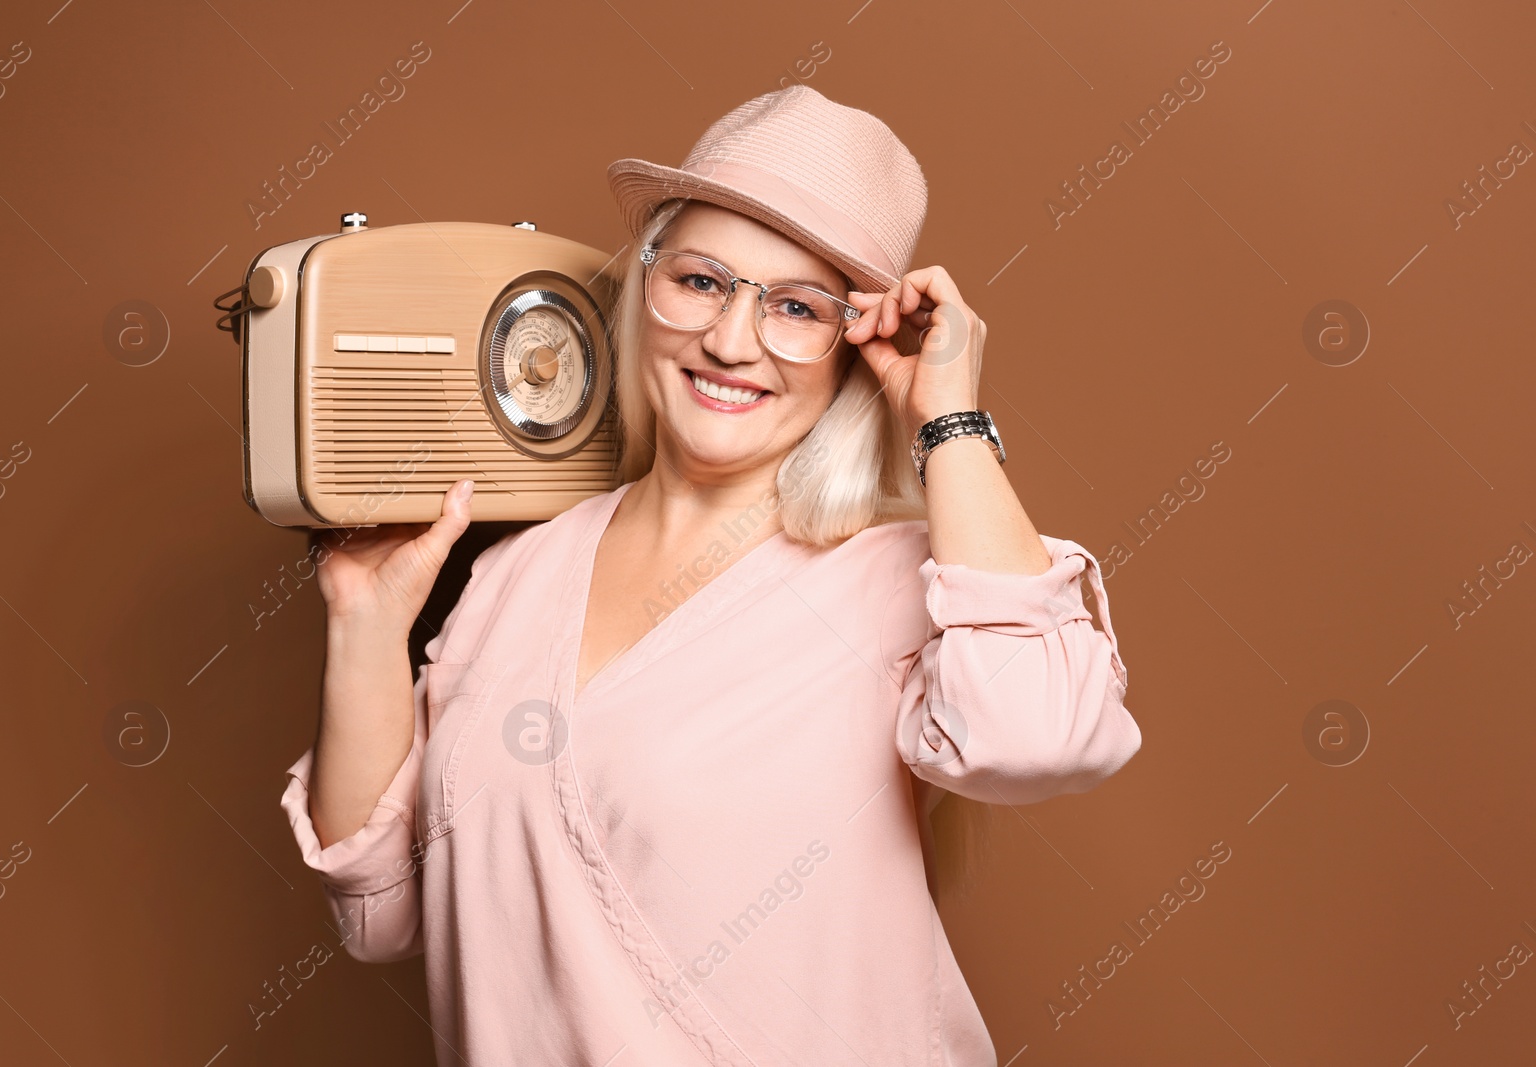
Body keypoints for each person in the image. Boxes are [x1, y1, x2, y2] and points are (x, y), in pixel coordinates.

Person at [279, 84, 1141, 1066]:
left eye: (796, 307)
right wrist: (363, 621)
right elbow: (382, 909)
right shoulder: (516, 574)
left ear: (861, 346)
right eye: (700, 281)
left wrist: (942, 412)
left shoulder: (901, 580)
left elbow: (1035, 736)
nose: (732, 342)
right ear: (644, 283)